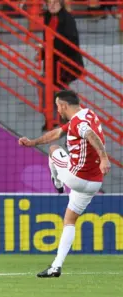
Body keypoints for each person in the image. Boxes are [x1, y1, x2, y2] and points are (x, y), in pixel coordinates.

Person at [18, 90, 110, 278]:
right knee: (69, 220)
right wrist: (33, 142)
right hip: (94, 183)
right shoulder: (88, 115)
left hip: (76, 177)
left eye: (57, 105)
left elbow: (91, 135)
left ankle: (57, 180)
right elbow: (57, 132)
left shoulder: (79, 123)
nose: (56, 109)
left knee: (53, 150)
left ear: (63, 105)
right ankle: (55, 267)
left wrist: (104, 158)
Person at [38, 0, 84, 131]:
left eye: (55, 2)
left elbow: (72, 43)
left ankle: (62, 122)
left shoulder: (68, 19)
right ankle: (55, 120)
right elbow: (46, 38)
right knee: (47, 87)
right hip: (52, 61)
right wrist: (44, 49)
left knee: (54, 91)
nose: (51, 5)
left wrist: (53, 47)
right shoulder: (47, 16)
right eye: (49, 2)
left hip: (65, 63)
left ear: (61, 4)